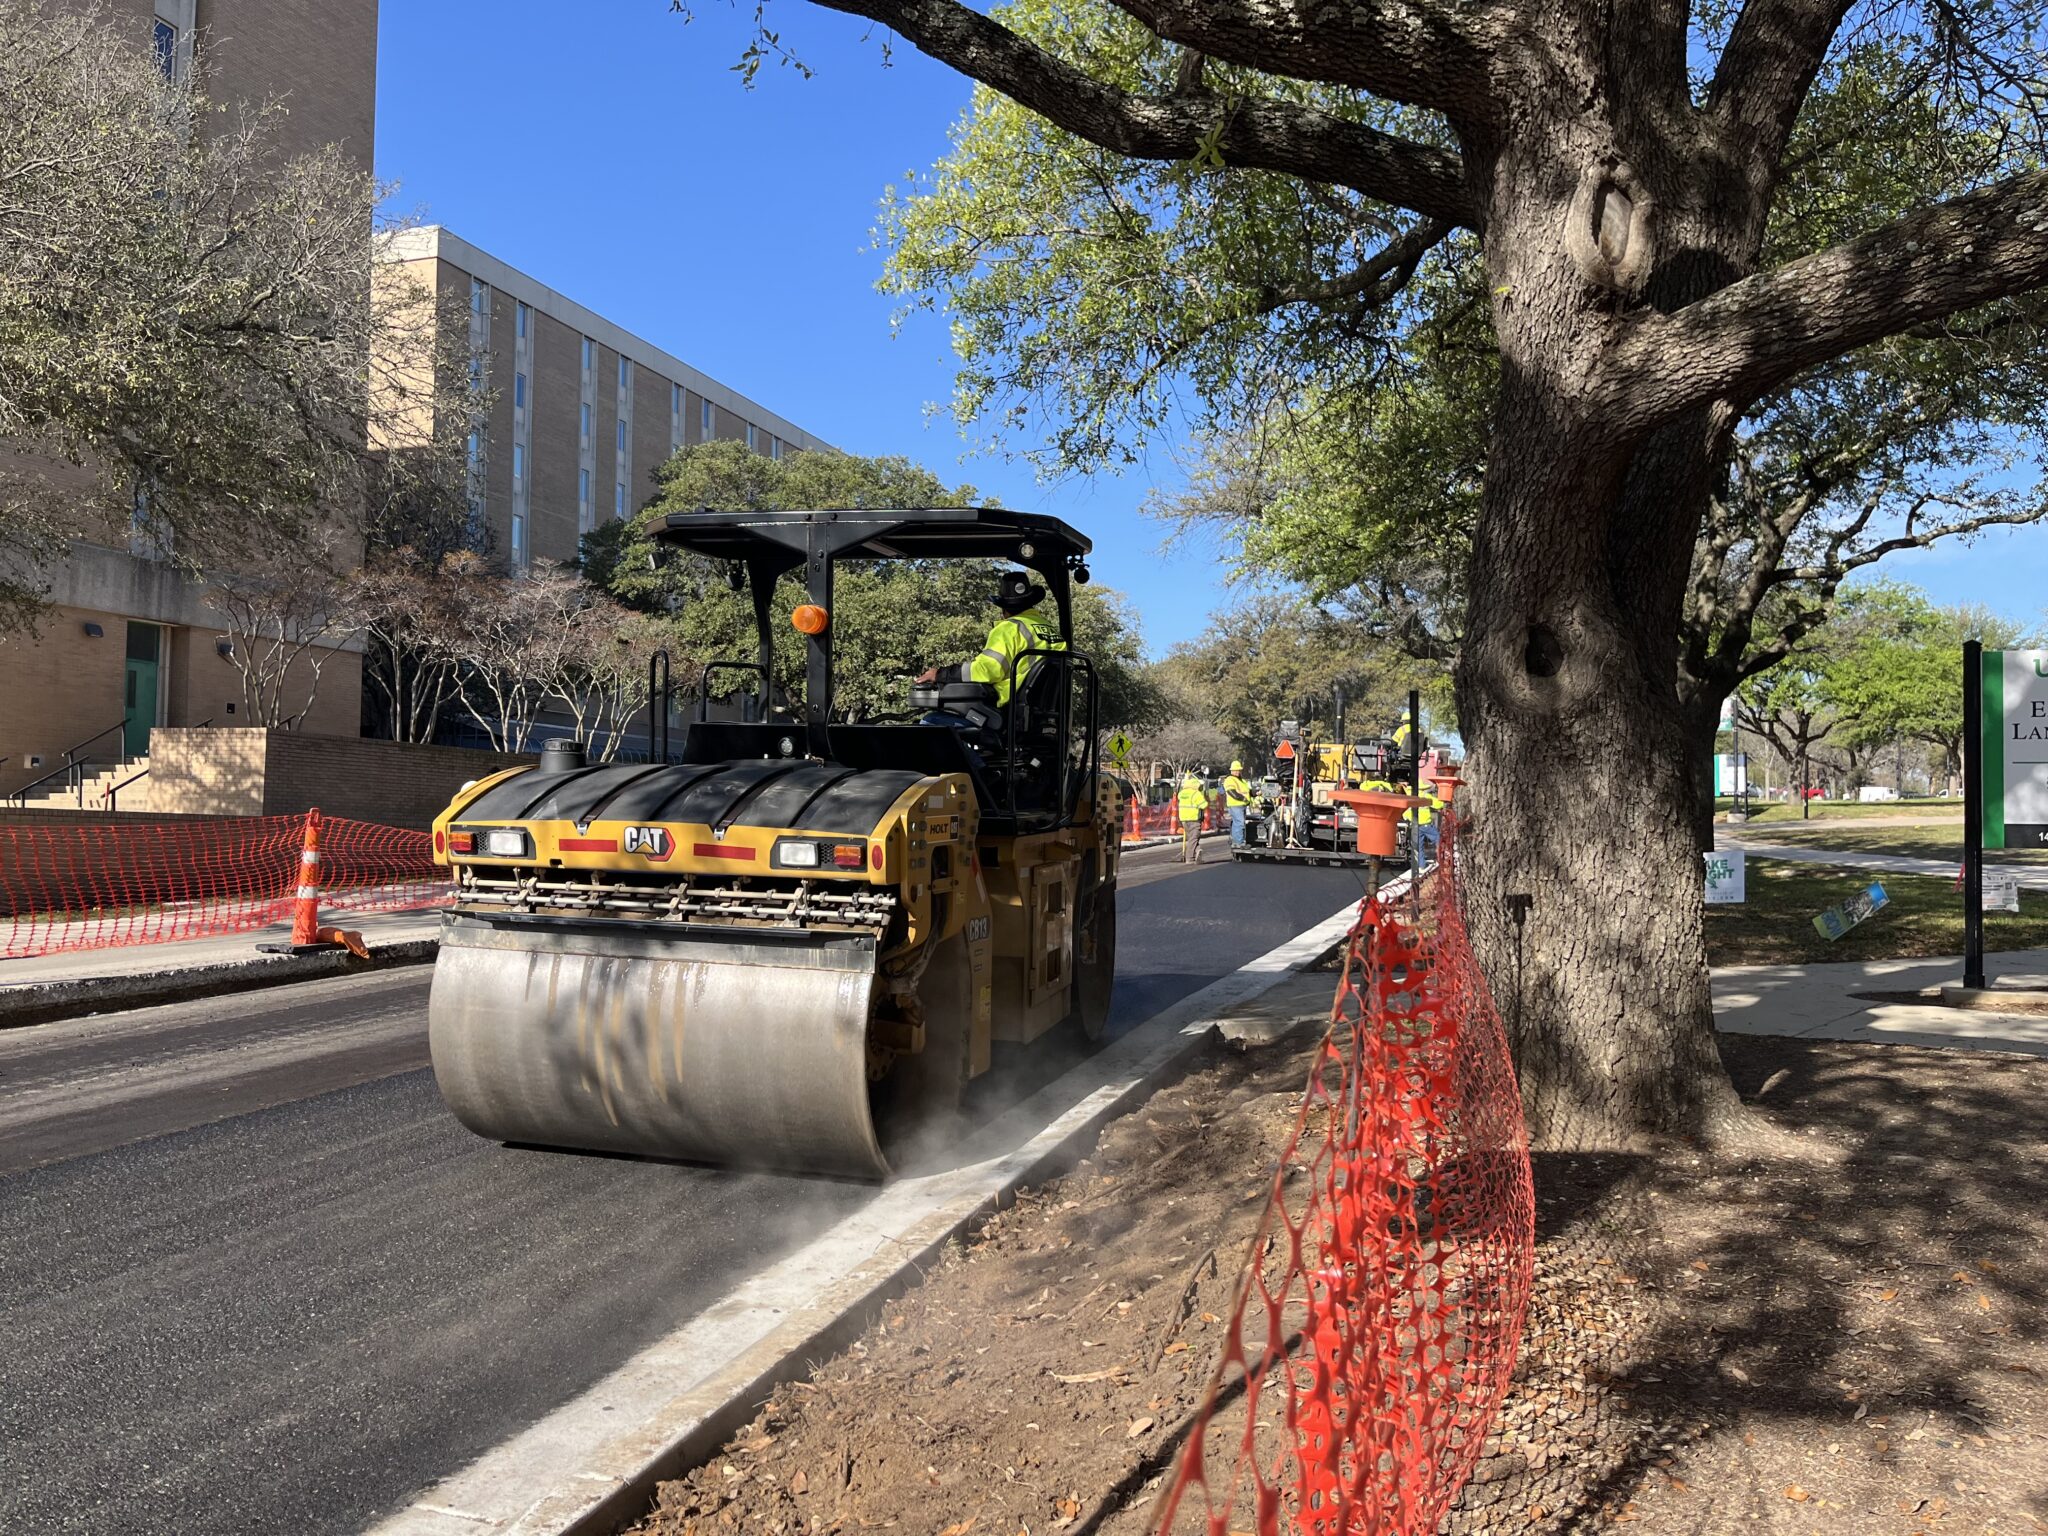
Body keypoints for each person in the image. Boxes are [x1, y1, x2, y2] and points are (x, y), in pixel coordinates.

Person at [916, 569, 1065, 708]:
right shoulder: (1053, 631)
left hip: (1007, 709)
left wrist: (940, 674)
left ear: (1003, 609)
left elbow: (988, 669)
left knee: (932, 722)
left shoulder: (1009, 628)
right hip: (1039, 713)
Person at [1177, 769, 1208, 863]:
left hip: (1184, 819)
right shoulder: (1196, 794)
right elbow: (1204, 805)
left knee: (1192, 838)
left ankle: (1198, 852)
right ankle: (1190, 858)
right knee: (1194, 838)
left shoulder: (1181, 794)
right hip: (1194, 819)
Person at [1222, 759, 1253, 848]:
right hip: (1236, 804)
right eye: (1236, 770)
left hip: (1241, 805)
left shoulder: (1241, 780)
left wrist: (1254, 793)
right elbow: (1231, 791)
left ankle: (1237, 842)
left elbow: (1246, 791)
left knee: (1237, 823)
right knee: (1240, 823)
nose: (1237, 772)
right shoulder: (1230, 779)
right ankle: (1239, 842)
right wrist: (1242, 798)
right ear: (1232, 771)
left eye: (1238, 770)